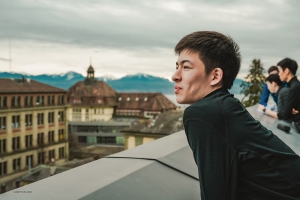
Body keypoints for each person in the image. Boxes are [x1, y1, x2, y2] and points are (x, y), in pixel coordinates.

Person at [172, 31, 300, 199]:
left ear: (215, 75)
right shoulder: (226, 106)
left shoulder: (204, 113)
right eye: (177, 67)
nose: (175, 76)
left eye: (186, 67)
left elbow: (216, 195)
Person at [277, 58, 300, 132]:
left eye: (280, 71)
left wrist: (288, 110)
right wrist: (290, 109)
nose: (279, 74)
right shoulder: (294, 85)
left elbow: (285, 114)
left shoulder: (295, 87)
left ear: (286, 71)